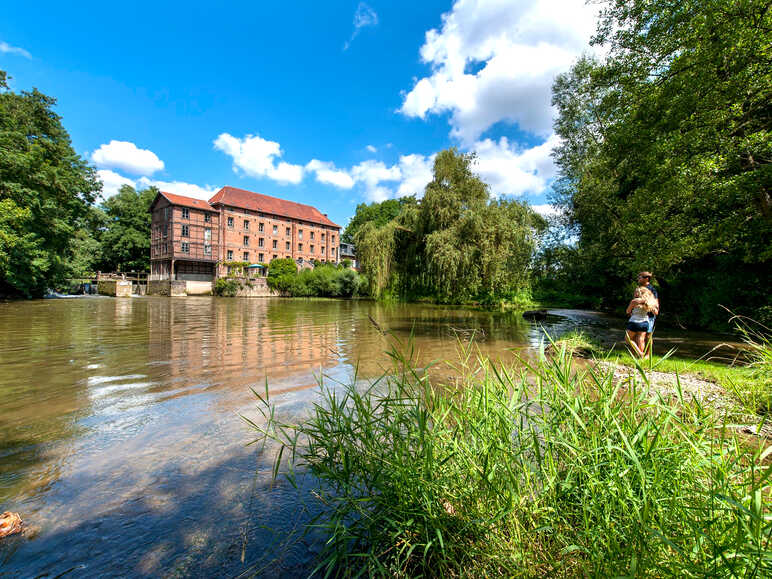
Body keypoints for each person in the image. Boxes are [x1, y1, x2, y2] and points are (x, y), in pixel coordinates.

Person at [625, 285, 658, 357]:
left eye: (636, 292)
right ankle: (640, 357)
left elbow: (627, 311)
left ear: (639, 293)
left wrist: (631, 313)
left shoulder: (634, 301)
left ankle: (640, 353)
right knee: (641, 339)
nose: (634, 293)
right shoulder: (649, 301)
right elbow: (656, 312)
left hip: (634, 322)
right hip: (645, 323)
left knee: (628, 339)